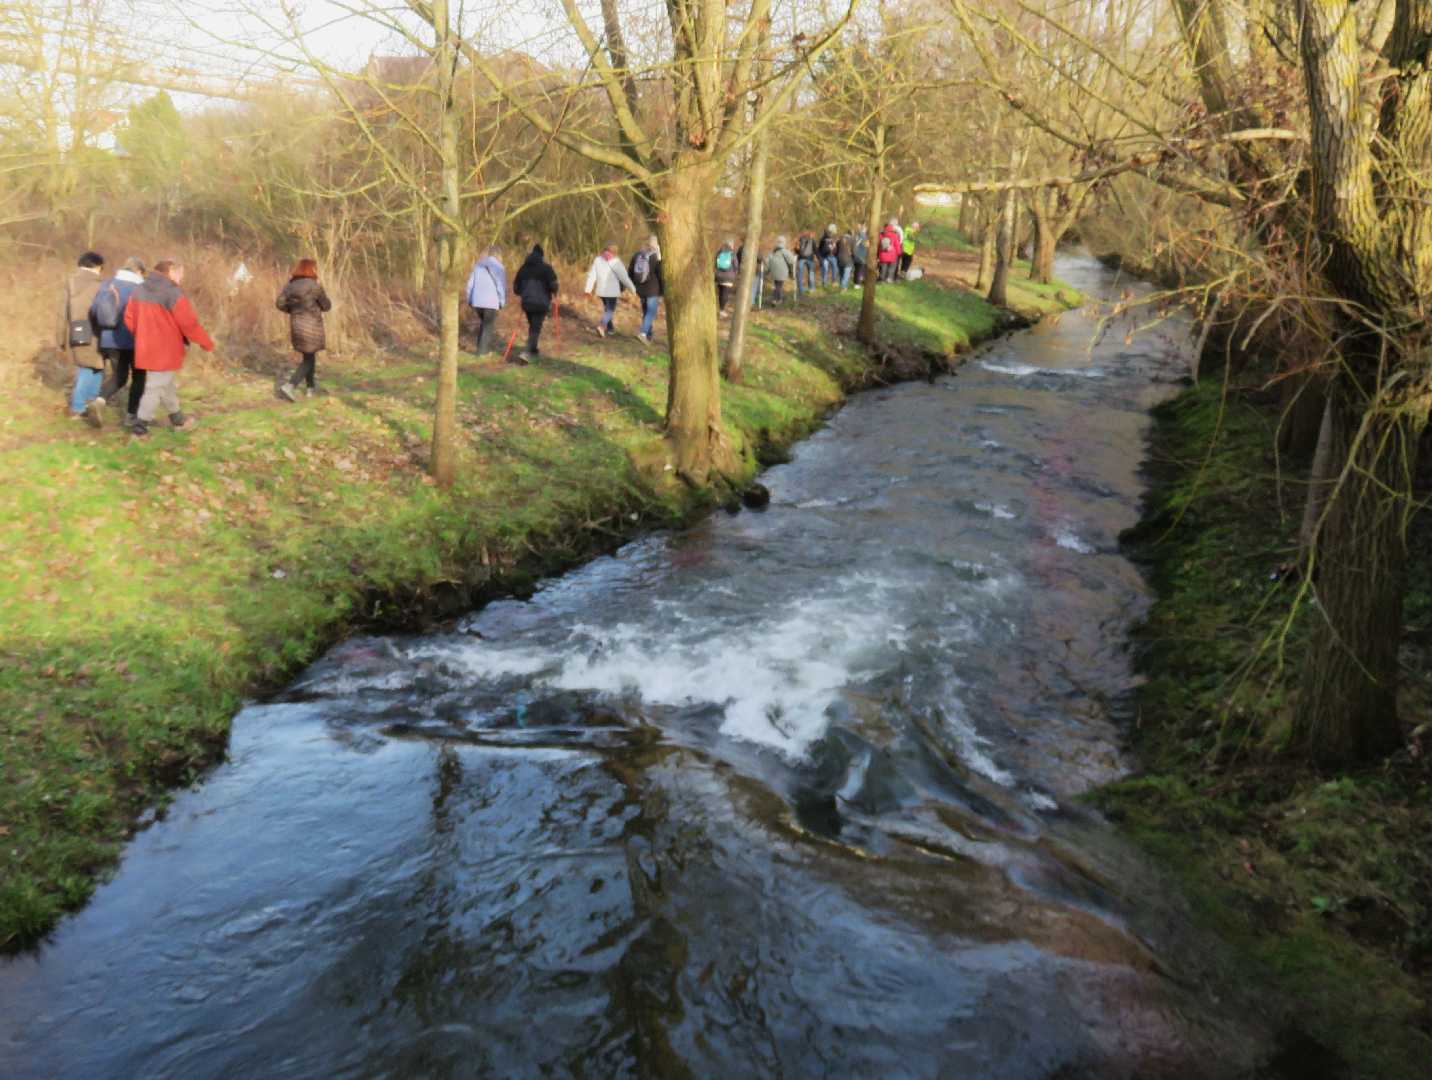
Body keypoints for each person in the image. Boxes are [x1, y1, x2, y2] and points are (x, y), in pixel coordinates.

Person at [124, 259, 214, 436]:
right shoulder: (172, 292)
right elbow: (189, 324)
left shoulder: (139, 289)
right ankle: (140, 426)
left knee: (166, 384)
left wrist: (141, 335)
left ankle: (178, 419)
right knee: (155, 387)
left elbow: (128, 318)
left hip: (144, 346)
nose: (181, 278)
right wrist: (206, 343)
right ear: (171, 272)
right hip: (165, 349)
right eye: (180, 274)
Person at [90, 256, 146, 429]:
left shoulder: (107, 284)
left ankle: (100, 399)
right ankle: (131, 416)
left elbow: (94, 310)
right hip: (135, 339)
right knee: (139, 377)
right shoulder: (141, 288)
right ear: (138, 271)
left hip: (110, 339)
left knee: (119, 376)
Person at [275, 258, 333, 401]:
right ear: (312, 270)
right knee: (308, 359)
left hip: (296, 325)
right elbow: (326, 306)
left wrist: (292, 310)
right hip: (312, 326)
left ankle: (310, 388)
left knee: (309, 356)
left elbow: (279, 304)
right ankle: (290, 385)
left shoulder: (290, 286)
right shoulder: (314, 286)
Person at [64, 251, 105, 427]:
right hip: (95, 331)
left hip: (76, 329)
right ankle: (79, 407)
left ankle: (91, 402)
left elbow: (62, 312)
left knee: (92, 366)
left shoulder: (70, 282)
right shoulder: (99, 284)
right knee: (90, 368)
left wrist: (60, 337)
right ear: (97, 266)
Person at [512, 243, 559, 361]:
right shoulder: (546, 268)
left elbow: (516, 288)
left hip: (527, 302)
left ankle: (533, 350)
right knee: (535, 328)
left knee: (533, 325)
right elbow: (553, 285)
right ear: (542, 256)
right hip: (541, 303)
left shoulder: (523, 268)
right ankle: (527, 352)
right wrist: (554, 292)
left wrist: (523, 293)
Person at [584, 242, 635, 337]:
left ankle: (610, 329)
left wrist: (588, 290)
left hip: (601, 291)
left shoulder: (598, 260)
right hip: (612, 291)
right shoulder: (616, 261)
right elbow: (624, 278)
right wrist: (632, 288)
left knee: (607, 309)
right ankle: (602, 326)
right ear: (615, 252)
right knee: (610, 310)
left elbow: (592, 276)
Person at [463, 246, 507, 355]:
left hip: (477, 301)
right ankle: (482, 352)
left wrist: (469, 299)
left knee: (484, 323)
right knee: (488, 326)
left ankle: (481, 348)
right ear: (498, 255)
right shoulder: (499, 267)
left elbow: (469, 285)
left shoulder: (478, 265)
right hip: (491, 302)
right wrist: (502, 301)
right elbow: (501, 286)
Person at [628, 235, 663, 343]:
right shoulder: (655, 257)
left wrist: (634, 286)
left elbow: (630, 271)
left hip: (640, 289)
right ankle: (643, 333)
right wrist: (662, 291)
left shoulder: (637, 255)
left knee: (646, 311)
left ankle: (648, 335)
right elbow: (660, 274)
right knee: (651, 312)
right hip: (652, 289)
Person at [765, 236, 797, 303]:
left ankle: (778, 297)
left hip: (773, 272)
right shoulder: (785, 251)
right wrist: (792, 273)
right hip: (782, 272)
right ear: (784, 243)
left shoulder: (773, 252)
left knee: (777, 285)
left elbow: (767, 261)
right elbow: (791, 261)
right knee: (779, 286)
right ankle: (776, 299)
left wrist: (766, 271)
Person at [714, 239, 739, 315]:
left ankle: (721, 308)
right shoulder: (732, 254)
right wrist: (734, 275)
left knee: (721, 293)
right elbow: (736, 266)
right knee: (725, 294)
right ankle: (722, 310)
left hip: (719, 276)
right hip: (728, 277)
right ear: (731, 246)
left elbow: (715, 264)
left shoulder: (719, 252)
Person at [795, 230, 816, 297]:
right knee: (811, 273)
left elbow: (797, 250)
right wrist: (817, 257)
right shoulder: (812, 240)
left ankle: (800, 289)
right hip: (810, 259)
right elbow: (815, 249)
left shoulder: (800, 239)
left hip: (801, 258)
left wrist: (797, 252)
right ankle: (811, 288)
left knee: (800, 274)